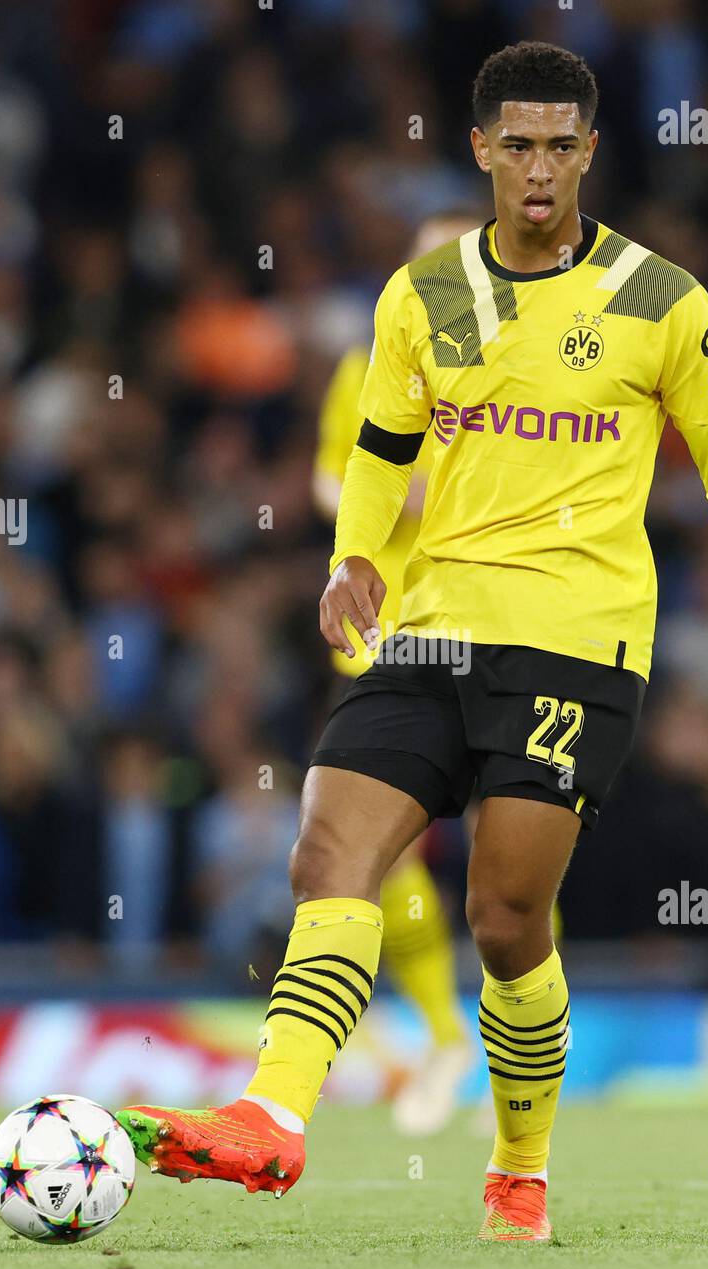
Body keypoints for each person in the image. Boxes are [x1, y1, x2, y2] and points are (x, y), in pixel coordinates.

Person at [119, 40, 708, 1243]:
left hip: (578, 646)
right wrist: (354, 562)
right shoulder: (421, 296)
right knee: (328, 853)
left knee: (503, 917)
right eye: (516, 146)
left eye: (560, 146)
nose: (538, 170)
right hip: (430, 636)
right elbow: (379, 457)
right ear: (481, 149)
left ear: (589, 152)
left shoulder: (660, 297)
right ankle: (274, 1116)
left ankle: (519, 1166)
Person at [312, 209, 483, 1136]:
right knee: (379, 834)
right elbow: (322, 478)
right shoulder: (367, 361)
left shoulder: (526, 363)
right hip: (398, 617)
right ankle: (447, 1034)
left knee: (517, 836)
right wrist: (388, 492)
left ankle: (506, 1052)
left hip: (506, 614)